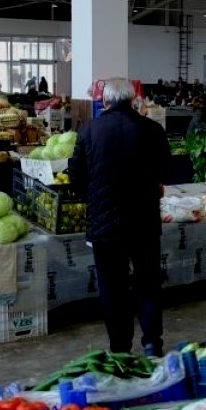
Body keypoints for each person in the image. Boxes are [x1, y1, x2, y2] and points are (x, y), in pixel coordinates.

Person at [71, 78, 170, 356]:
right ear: (132, 100)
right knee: (148, 282)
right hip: (144, 222)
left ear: (105, 102)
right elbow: (166, 170)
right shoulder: (151, 129)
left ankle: (120, 349)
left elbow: (76, 177)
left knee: (113, 288)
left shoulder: (89, 130)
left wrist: (95, 198)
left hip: (105, 225)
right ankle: (152, 343)